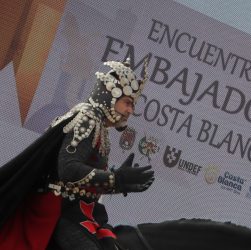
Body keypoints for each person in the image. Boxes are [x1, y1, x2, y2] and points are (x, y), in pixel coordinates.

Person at [0, 58, 155, 250]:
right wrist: (115, 179)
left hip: (78, 211)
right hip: (59, 211)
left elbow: (82, 184)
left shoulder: (99, 127)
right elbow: (68, 170)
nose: (131, 110)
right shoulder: (87, 118)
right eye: (127, 103)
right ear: (109, 95)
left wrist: (120, 183)